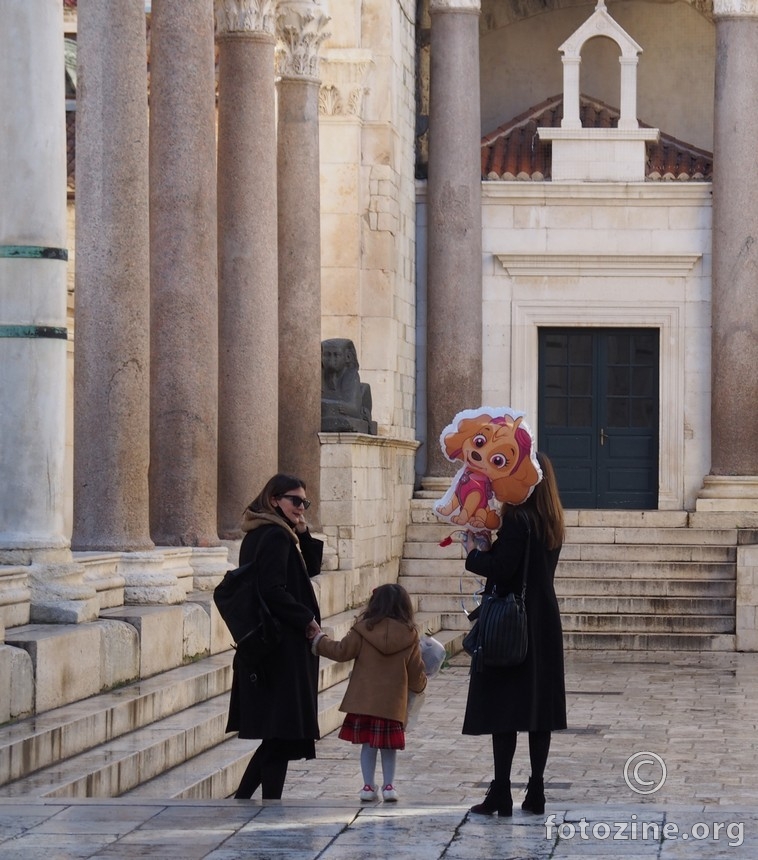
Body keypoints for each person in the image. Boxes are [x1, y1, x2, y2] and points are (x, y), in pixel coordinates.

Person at [461, 451, 566, 817]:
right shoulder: (551, 520)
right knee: (538, 710)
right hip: (542, 620)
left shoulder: (518, 520)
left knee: (504, 709)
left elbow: (503, 569)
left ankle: (502, 790)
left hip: (511, 623)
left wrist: (475, 552)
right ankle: (536, 790)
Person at [226, 473, 323, 800]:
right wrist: (307, 619)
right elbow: (273, 590)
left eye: (304, 502)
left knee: (279, 736)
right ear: (273, 500)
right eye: (295, 501)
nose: (301, 507)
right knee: (280, 735)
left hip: (274, 648)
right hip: (281, 650)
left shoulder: (267, 534)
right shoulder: (274, 537)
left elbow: (308, 570)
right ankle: (249, 799)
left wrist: (303, 532)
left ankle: (267, 801)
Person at [311, 583, 427, 803]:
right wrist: (421, 686)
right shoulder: (410, 635)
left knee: (368, 745)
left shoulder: (363, 629)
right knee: (388, 747)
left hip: (364, 702)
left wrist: (319, 640)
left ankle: (367, 786)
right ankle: (389, 786)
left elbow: (341, 651)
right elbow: (415, 671)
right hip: (393, 703)